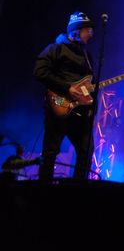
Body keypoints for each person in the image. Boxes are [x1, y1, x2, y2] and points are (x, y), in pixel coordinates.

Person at [33, 12, 96, 181]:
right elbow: (39, 72)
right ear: (75, 31)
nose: (91, 33)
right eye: (87, 30)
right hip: (58, 102)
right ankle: (43, 191)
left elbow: (89, 85)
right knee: (51, 151)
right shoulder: (55, 49)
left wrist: (91, 104)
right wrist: (67, 88)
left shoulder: (86, 55)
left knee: (86, 151)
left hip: (80, 111)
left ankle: (77, 193)